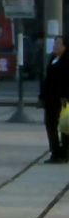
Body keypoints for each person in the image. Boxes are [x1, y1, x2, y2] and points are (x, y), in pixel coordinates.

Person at [40, 35, 68, 164]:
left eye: (58, 44)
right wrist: (42, 96)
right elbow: (48, 80)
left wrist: (65, 96)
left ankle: (64, 153)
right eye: (55, 43)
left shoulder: (66, 61)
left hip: (63, 100)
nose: (55, 46)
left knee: (65, 126)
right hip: (50, 99)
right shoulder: (53, 58)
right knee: (50, 125)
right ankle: (55, 151)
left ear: (65, 46)